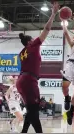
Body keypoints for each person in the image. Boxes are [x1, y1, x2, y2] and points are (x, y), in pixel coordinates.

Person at [16, 2, 59, 133]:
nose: (36, 39)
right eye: (33, 39)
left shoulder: (22, 52)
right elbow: (46, 30)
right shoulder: (33, 46)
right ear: (30, 41)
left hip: (22, 80)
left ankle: (24, 131)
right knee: (34, 111)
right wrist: (53, 14)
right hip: (29, 81)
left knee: (31, 109)